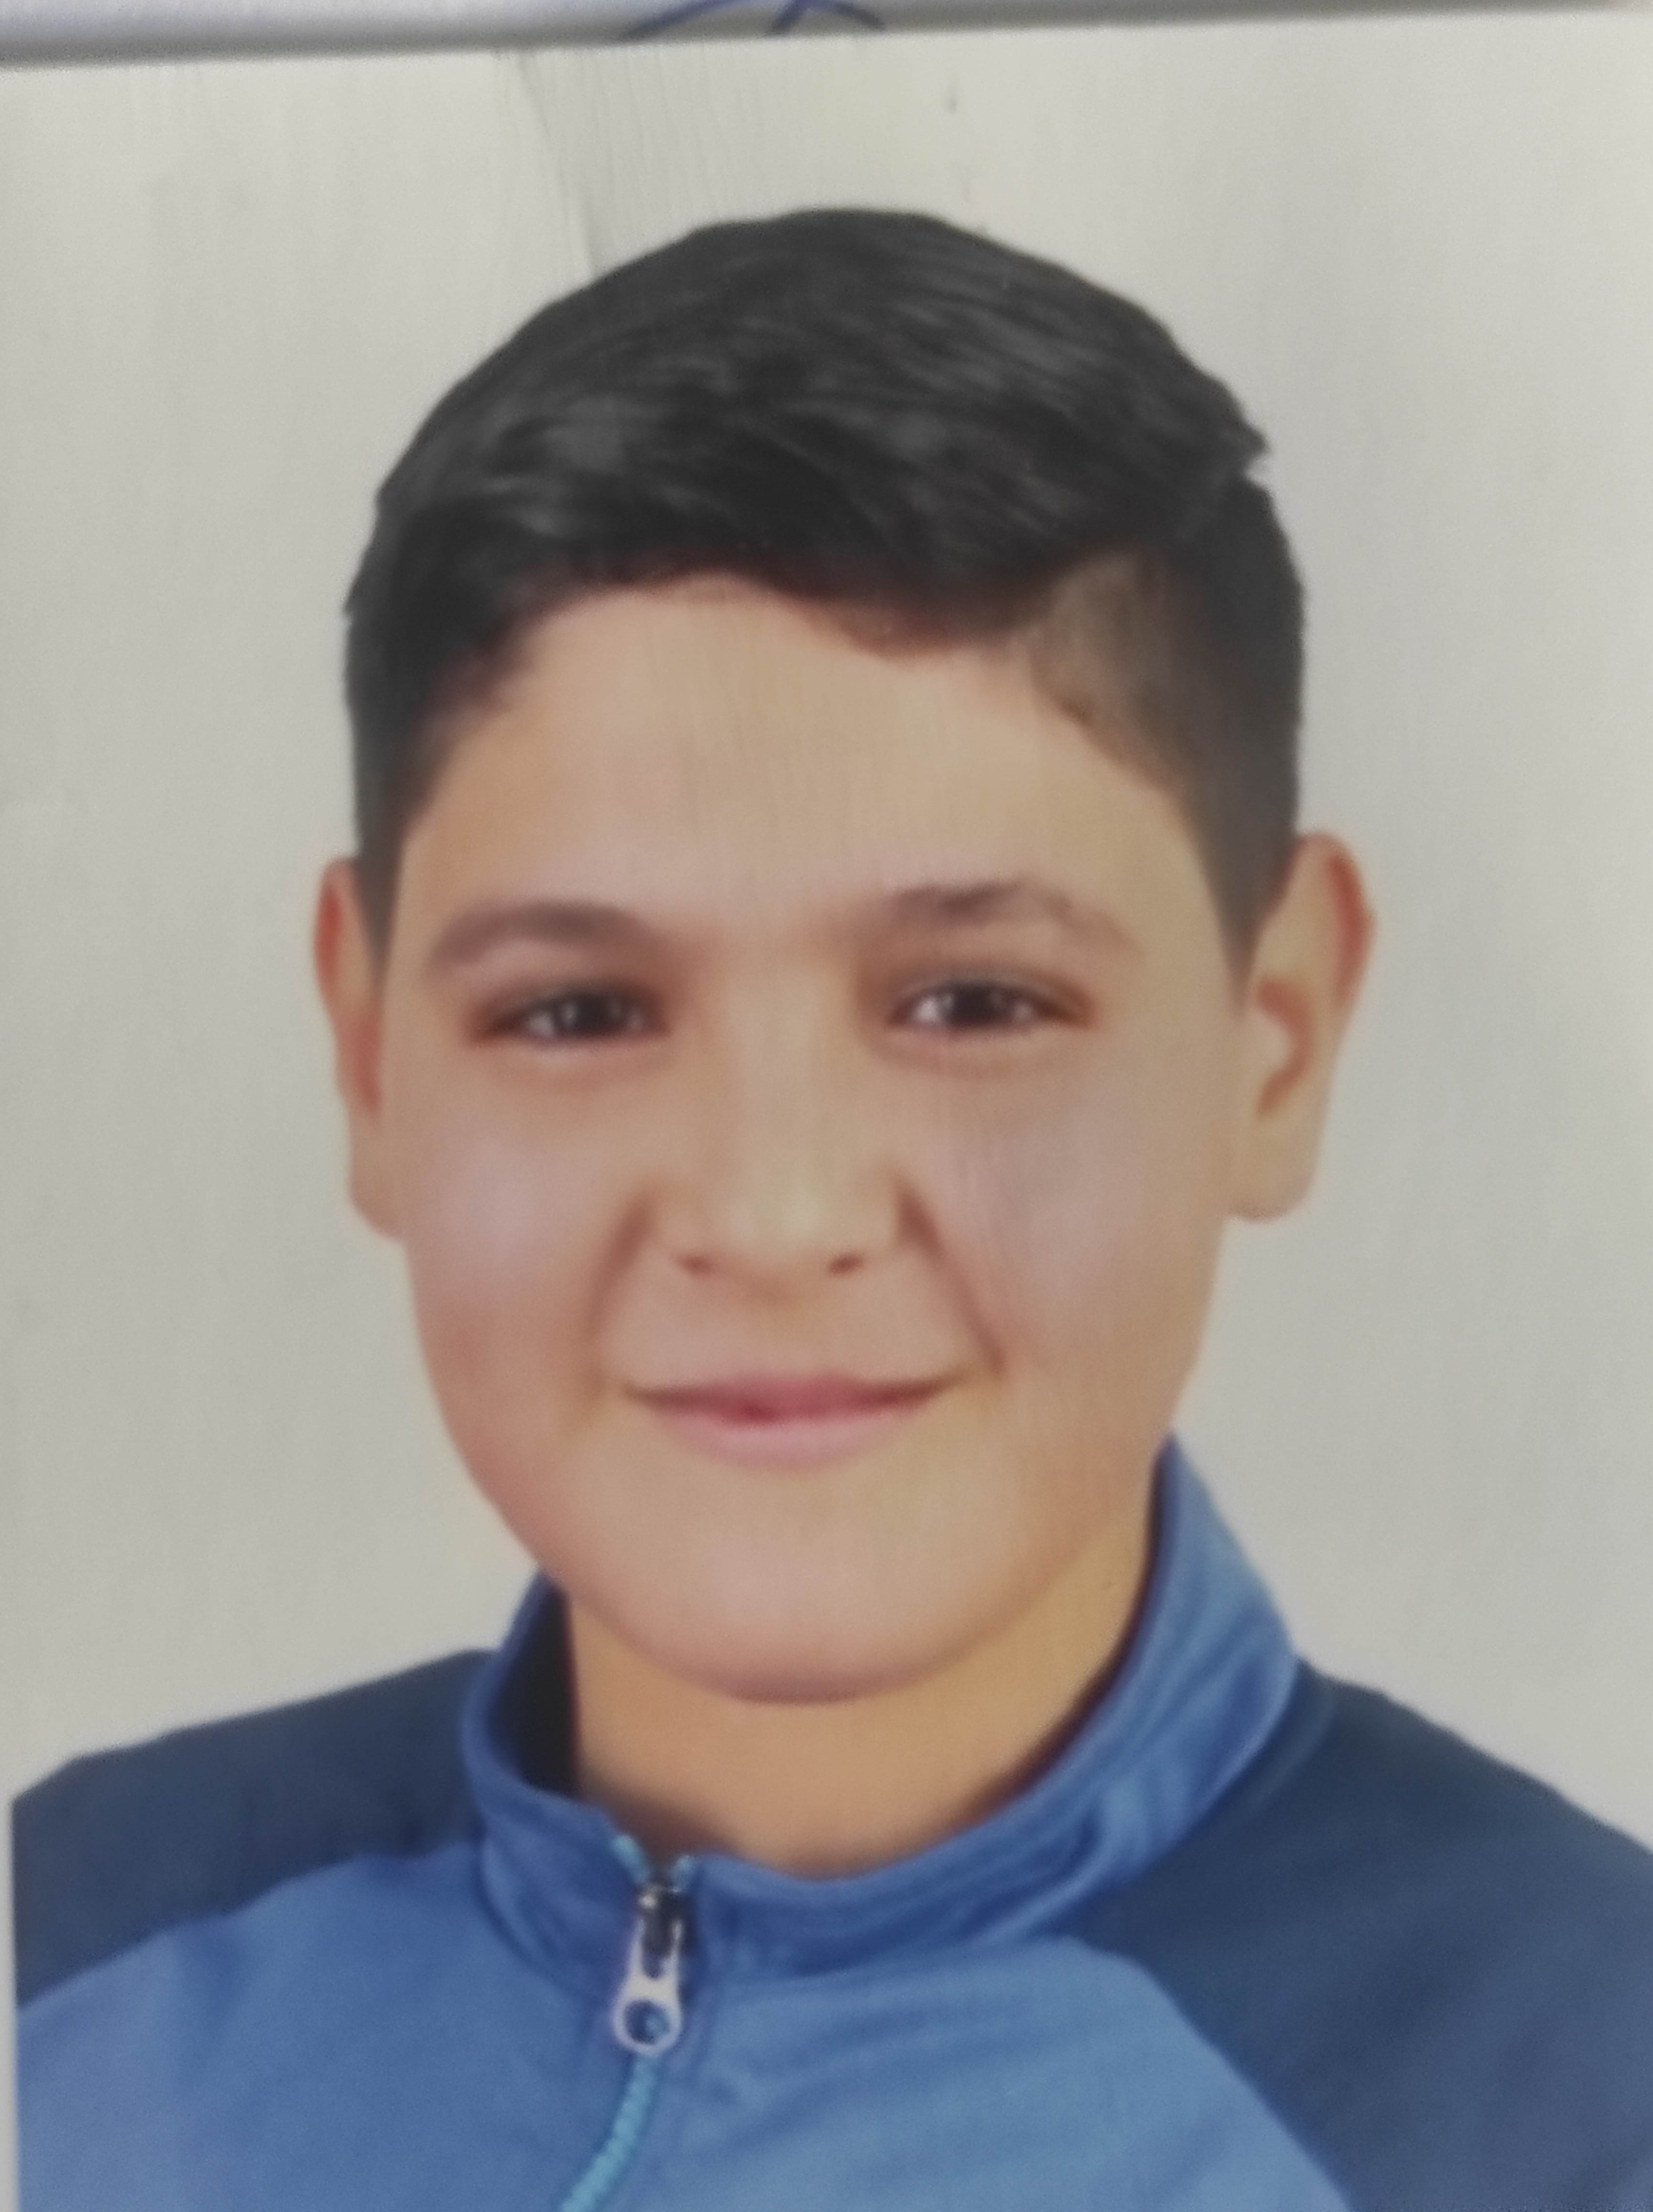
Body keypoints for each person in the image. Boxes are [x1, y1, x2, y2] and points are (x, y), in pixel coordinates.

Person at [12, 208, 1653, 2212]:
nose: (774, 1214)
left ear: (1278, 1037)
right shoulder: (71, 1950)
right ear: (368, 1056)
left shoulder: (1583, 2102)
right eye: (579, 1010)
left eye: (974, 1005)